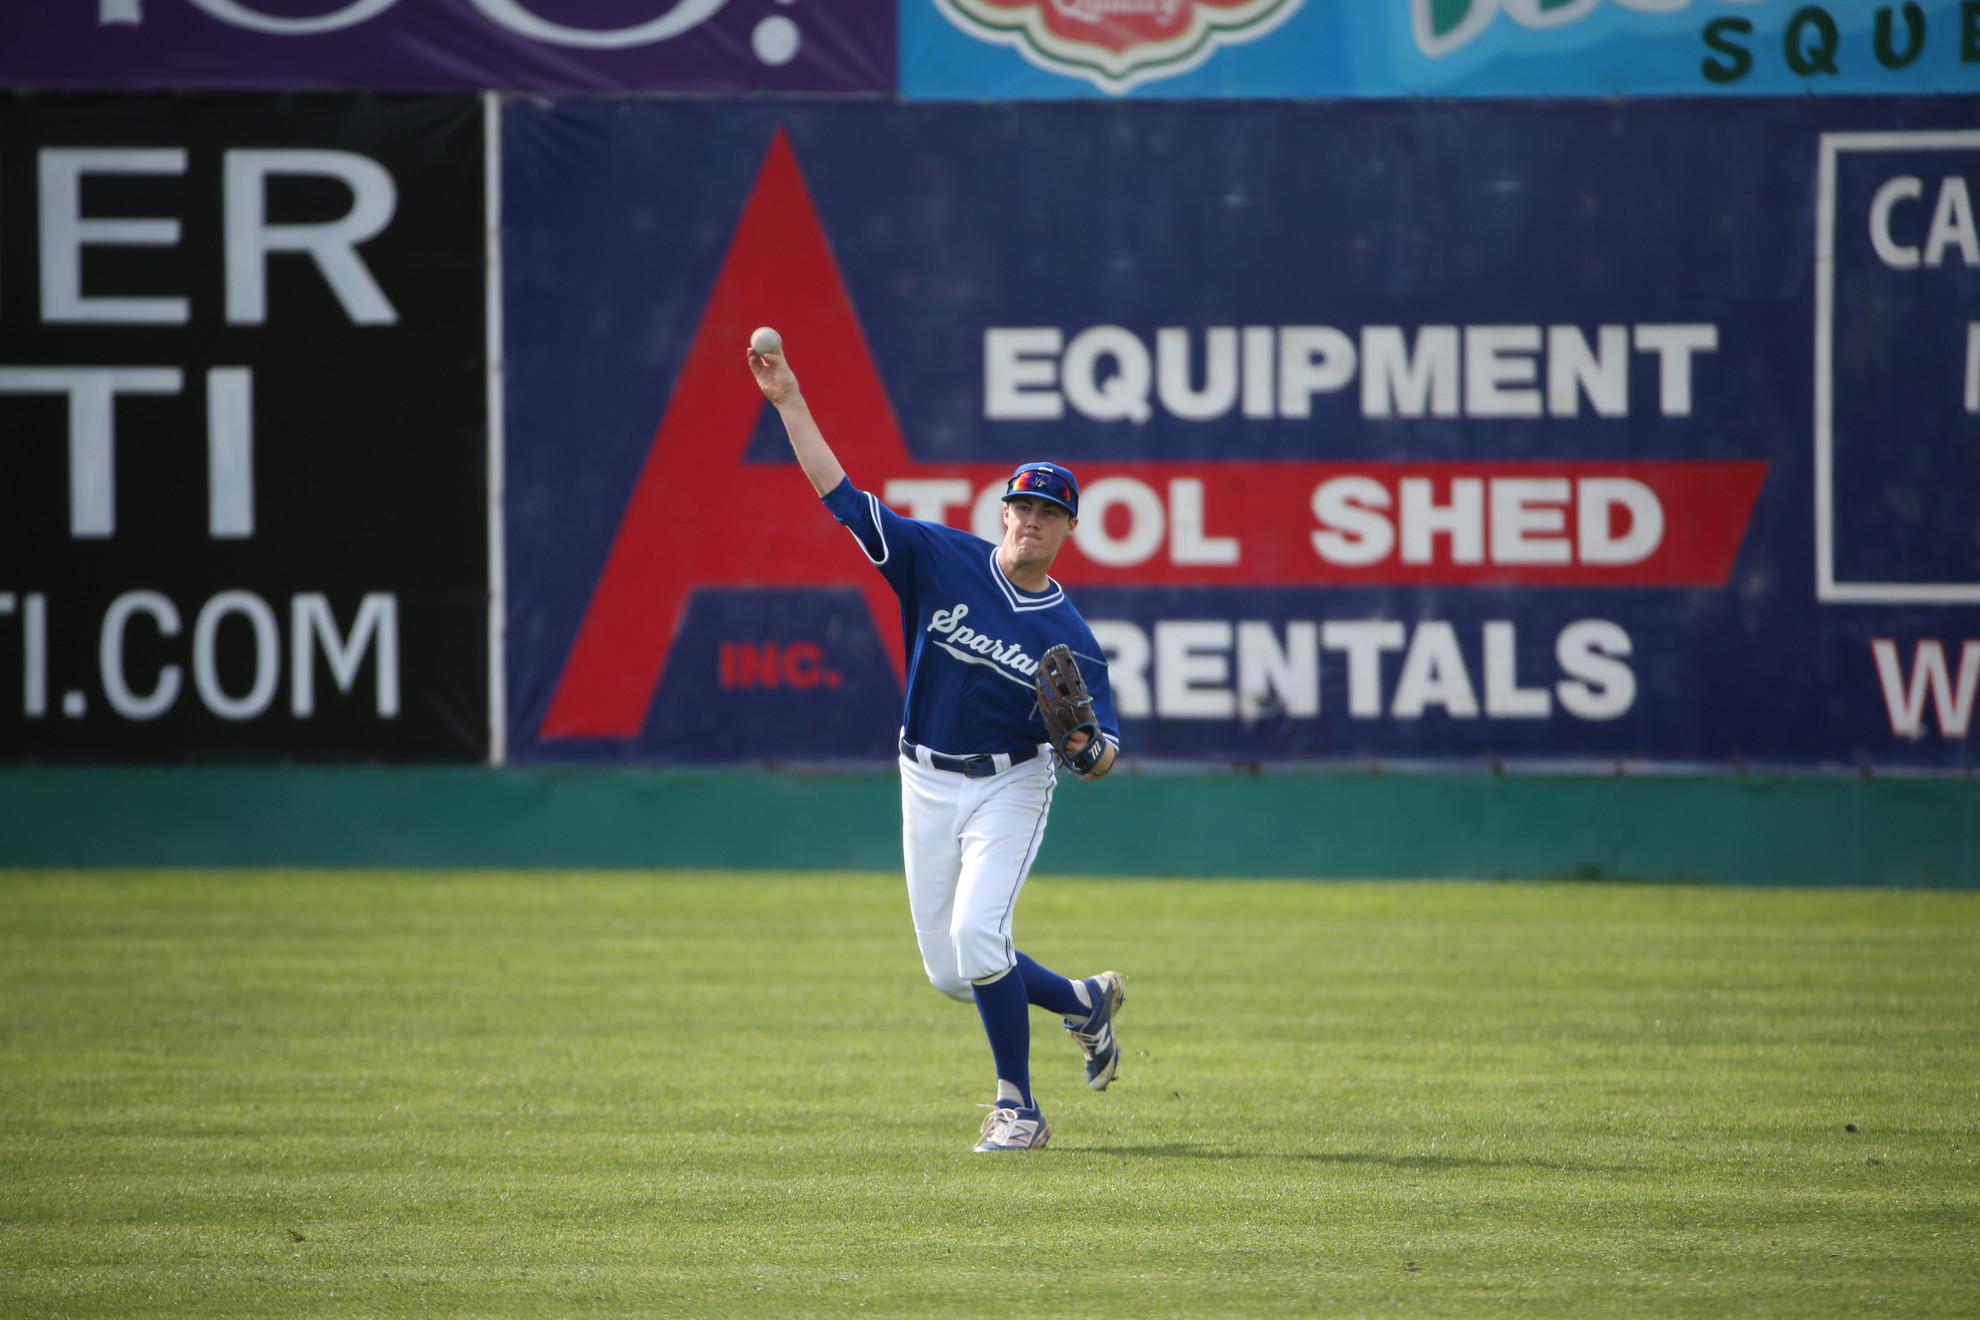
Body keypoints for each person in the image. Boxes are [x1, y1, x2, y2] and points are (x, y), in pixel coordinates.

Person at [748, 336, 1126, 1153]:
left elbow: (1102, 753)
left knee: (979, 938)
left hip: (1010, 786)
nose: (1031, 521)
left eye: (1048, 513)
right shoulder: (937, 558)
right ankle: (1081, 1001)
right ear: (1004, 512)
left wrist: (1085, 750)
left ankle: (1017, 1108)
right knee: (952, 972)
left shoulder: (1070, 635)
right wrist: (788, 401)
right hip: (922, 775)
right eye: (1021, 506)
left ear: (1067, 528)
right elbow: (841, 496)